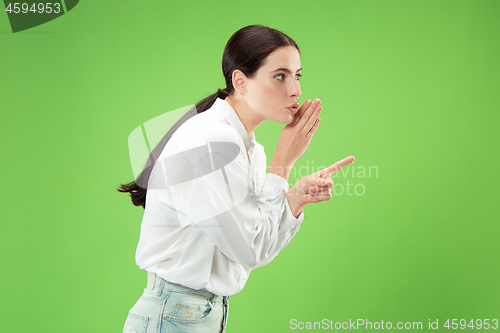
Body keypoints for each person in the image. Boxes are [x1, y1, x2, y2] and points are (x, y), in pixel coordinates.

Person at [118, 24, 355, 333]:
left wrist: (294, 198)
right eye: (279, 76)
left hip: (197, 313)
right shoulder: (211, 140)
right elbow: (251, 249)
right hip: (173, 315)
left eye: (297, 75)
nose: (295, 89)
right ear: (240, 81)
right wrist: (283, 163)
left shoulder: (249, 149)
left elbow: (255, 244)